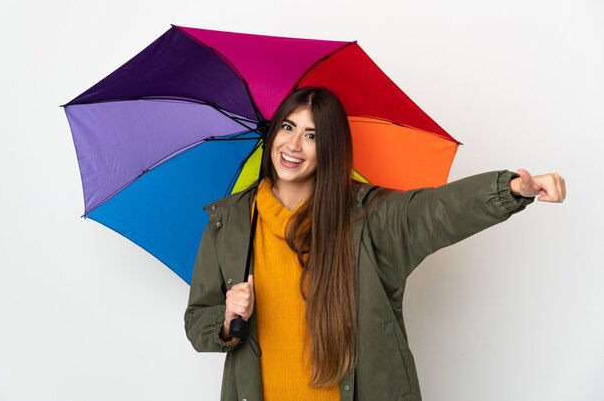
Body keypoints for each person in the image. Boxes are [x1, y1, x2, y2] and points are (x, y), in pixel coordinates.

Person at [184, 87, 566, 401]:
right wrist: (226, 321)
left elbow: (435, 211)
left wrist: (511, 189)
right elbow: (198, 318)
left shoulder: (366, 216)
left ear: (330, 148)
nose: (294, 144)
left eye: (312, 135)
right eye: (288, 127)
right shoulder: (228, 222)